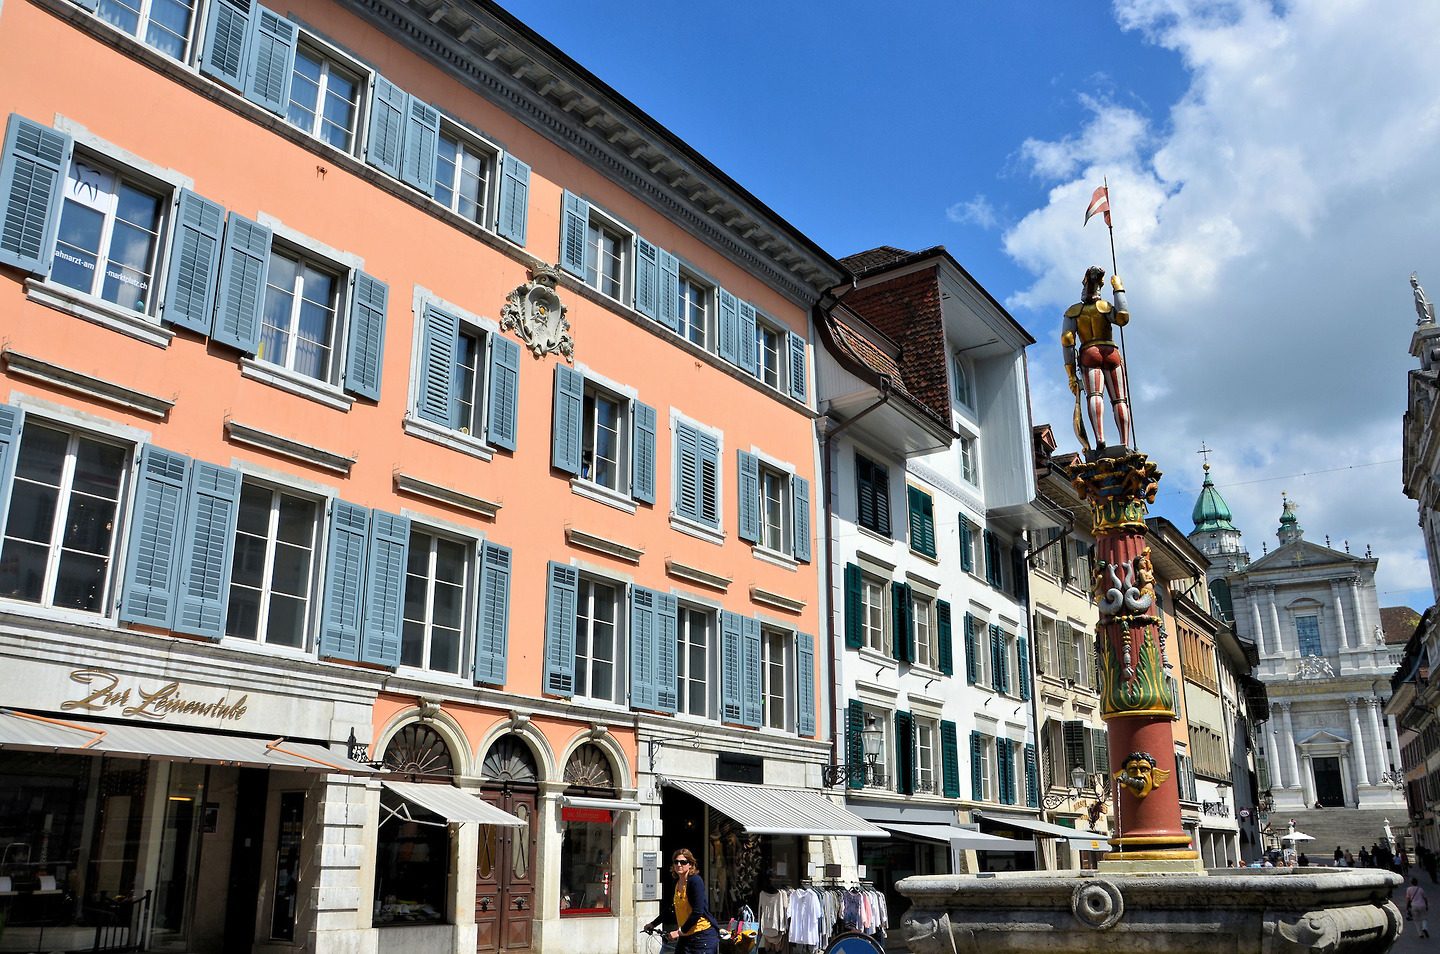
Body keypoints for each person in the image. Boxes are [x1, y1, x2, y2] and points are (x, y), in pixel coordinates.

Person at [1062, 266, 1132, 451]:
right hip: (1110, 352)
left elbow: (1067, 340)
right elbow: (1123, 317)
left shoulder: (1073, 311)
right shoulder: (1105, 307)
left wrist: (1071, 375)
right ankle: (1125, 442)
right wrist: (1118, 288)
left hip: (1089, 352)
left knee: (1094, 395)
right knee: (1119, 400)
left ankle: (1100, 438)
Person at [645, 849, 718, 954]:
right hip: (685, 936)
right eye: (676, 862)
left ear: (690, 864)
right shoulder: (677, 882)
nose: (679, 865)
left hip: (702, 936)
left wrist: (680, 931)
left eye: (683, 862)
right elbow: (672, 908)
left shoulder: (695, 881)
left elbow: (698, 911)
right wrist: (653, 924)